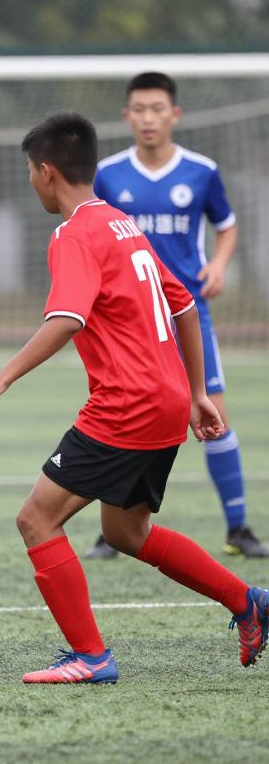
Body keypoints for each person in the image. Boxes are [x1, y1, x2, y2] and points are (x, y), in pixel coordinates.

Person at [0, 111, 269, 684]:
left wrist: (0, 378)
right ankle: (248, 601)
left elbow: (67, 318)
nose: (31, 182)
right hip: (167, 400)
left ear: (47, 171)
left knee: (36, 520)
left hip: (126, 405)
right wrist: (197, 392)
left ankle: (91, 657)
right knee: (127, 532)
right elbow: (182, 305)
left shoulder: (74, 233)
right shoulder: (124, 225)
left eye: (31, 172)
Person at [86, 71, 266, 559]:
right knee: (121, 417)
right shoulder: (108, 173)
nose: (148, 118)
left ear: (174, 114)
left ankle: (238, 527)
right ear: (127, 116)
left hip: (189, 314)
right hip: (129, 320)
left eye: (157, 108)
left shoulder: (201, 171)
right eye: (139, 109)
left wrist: (219, 264)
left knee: (215, 418)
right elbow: (93, 235)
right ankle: (112, 531)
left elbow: (226, 227)